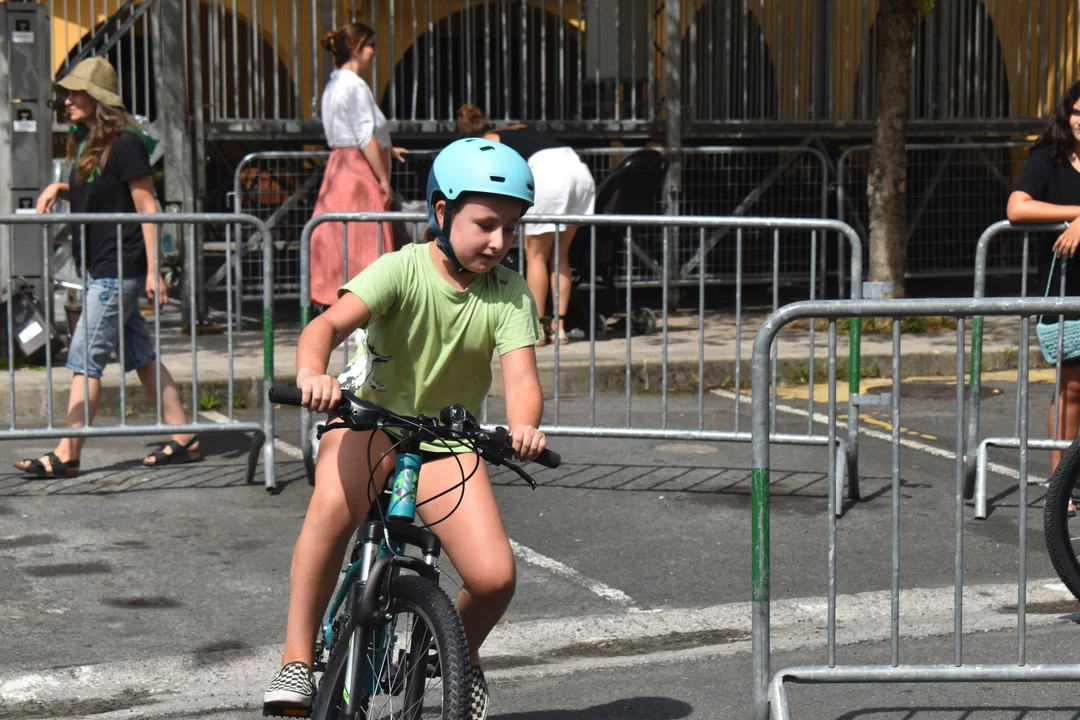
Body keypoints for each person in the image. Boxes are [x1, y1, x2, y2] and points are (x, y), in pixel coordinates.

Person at [263, 138, 547, 717]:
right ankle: (296, 660)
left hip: (445, 440)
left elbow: (521, 380)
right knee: (330, 514)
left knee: (494, 578)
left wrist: (524, 427)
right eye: (485, 225)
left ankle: (454, 653)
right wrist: (313, 374)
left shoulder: (510, 292)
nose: (500, 242)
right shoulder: (402, 269)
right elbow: (324, 328)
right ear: (441, 212)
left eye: (511, 228)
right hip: (371, 421)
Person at [13, 57, 198, 478]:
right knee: (142, 356)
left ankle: (67, 452)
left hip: (119, 269)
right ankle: (185, 435)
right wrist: (59, 187)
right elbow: (100, 193)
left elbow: (147, 207)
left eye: (75, 93)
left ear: (98, 98)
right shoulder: (90, 145)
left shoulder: (127, 144)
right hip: (101, 269)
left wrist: (153, 271)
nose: (66, 101)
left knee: (84, 357)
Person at [456, 104, 596, 345]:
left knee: (536, 256)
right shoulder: (517, 129)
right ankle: (560, 328)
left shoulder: (487, 140)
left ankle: (537, 327)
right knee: (560, 255)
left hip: (549, 176)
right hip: (579, 173)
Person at [1007, 79, 1080, 515]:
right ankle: (1062, 484)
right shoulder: (1048, 157)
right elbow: (1017, 207)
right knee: (1071, 388)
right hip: (1067, 290)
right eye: (1077, 111)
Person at [310, 22, 408, 308]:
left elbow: (352, 132)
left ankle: (342, 312)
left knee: (345, 242)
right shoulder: (354, 86)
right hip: (357, 174)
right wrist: (383, 180)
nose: (375, 52)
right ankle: (361, 315)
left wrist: (387, 148)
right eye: (370, 45)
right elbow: (364, 136)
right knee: (364, 244)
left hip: (341, 168)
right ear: (356, 49)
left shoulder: (334, 85)